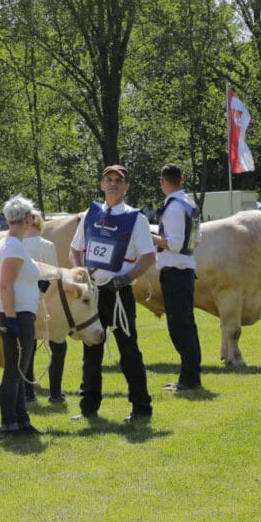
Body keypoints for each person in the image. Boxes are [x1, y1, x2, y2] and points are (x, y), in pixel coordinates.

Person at [69, 164, 156, 423]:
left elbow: (149, 256)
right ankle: (88, 407)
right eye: (109, 179)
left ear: (126, 186)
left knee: (128, 351)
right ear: (102, 184)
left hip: (119, 295)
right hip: (93, 293)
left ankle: (141, 408)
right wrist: (80, 276)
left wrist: (126, 278)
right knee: (91, 352)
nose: (114, 184)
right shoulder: (90, 214)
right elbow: (75, 250)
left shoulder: (136, 218)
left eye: (119, 180)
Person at [0, 196, 43, 435]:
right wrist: (11, 319)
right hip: (16, 314)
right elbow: (5, 286)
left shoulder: (13, 243)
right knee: (14, 371)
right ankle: (9, 423)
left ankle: (21, 420)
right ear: (25, 218)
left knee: (19, 371)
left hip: (19, 312)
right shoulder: (12, 246)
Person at [150, 164, 202, 391]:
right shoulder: (189, 203)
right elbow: (195, 240)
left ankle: (189, 379)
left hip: (175, 271)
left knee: (179, 327)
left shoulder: (173, 207)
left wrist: (151, 236)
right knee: (187, 325)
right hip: (187, 269)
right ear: (181, 180)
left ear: (163, 182)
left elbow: (174, 243)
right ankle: (191, 376)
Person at [12, 200, 68, 405]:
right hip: (46, 303)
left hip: (23, 301)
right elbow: (53, 275)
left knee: (28, 349)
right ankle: (55, 394)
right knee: (59, 347)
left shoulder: (17, 244)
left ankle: (28, 393)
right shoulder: (47, 246)